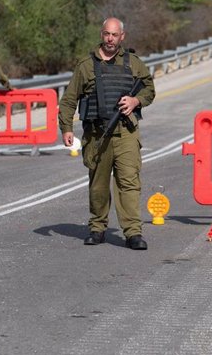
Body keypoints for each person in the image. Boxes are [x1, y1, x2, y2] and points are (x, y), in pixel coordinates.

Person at [59, 17, 156, 250]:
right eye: (106, 34)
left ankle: (133, 232)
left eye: (114, 35)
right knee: (98, 185)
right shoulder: (86, 66)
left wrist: (135, 100)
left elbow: (149, 90)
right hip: (97, 134)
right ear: (101, 35)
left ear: (122, 36)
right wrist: (66, 128)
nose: (110, 39)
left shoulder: (133, 63)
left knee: (129, 182)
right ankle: (97, 228)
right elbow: (69, 100)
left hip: (126, 134)